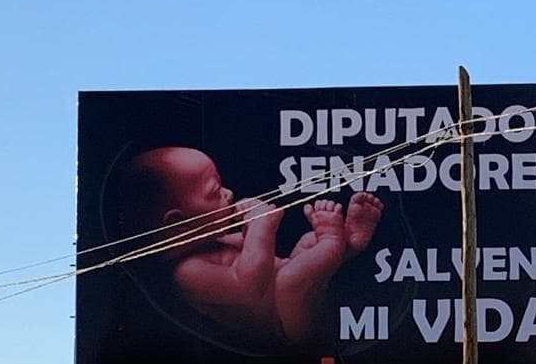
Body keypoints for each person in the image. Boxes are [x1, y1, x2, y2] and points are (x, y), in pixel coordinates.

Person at [116, 147, 383, 345]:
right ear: (178, 223)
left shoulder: (216, 243)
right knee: (291, 277)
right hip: (288, 326)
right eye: (215, 191)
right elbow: (252, 286)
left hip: (295, 296)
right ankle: (334, 242)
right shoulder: (187, 273)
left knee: (304, 248)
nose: (229, 193)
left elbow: (260, 256)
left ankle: (346, 244)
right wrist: (260, 226)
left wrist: (251, 230)